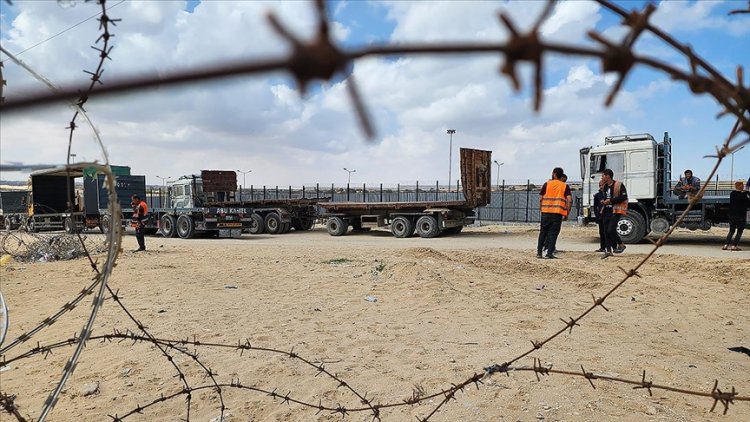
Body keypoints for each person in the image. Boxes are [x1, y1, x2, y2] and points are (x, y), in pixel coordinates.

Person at [536, 167, 572, 259]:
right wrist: (567, 212)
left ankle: (539, 253)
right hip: (557, 214)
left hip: (545, 213)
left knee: (543, 232)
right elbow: (570, 200)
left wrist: (541, 208)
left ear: (554, 174)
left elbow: (540, 198)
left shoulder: (546, 184)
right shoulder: (564, 186)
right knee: (553, 233)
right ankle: (549, 253)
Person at [600, 169, 628, 258]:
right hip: (606, 211)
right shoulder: (604, 187)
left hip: (615, 211)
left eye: (603, 176)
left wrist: (611, 201)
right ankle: (608, 251)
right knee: (606, 232)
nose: (602, 177)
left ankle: (621, 244)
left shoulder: (619, 185)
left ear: (608, 176)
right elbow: (605, 197)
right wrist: (604, 202)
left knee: (611, 229)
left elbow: (624, 197)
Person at [723, 181, 750, 251]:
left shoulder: (732, 194)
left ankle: (725, 245)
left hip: (732, 215)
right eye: (743, 185)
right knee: (739, 231)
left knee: (731, 231)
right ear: (740, 186)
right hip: (740, 216)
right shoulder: (744, 195)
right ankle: (734, 246)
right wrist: (747, 192)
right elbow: (748, 203)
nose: (744, 186)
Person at [593, 179, 607, 252]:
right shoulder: (597, 195)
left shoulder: (607, 194)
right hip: (600, 216)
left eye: (602, 185)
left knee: (607, 232)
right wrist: (597, 215)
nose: (601, 187)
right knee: (601, 232)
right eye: (600, 185)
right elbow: (595, 206)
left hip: (607, 215)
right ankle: (602, 247)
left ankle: (609, 247)